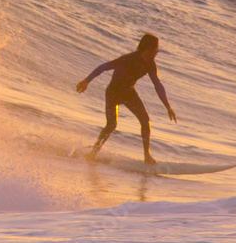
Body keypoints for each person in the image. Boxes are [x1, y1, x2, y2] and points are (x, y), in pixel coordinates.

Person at [75, 33, 177, 164]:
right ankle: (93, 153)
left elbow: (157, 85)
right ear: (149, 48)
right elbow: (104, 66)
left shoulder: (151, 64)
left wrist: (168, 107)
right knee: (111, 125)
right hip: (113, 92)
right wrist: (87, 80)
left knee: (145, 121)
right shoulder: (128, 59)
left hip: (129, 93)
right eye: (156, 48)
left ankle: (147, 155)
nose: (158, 51)